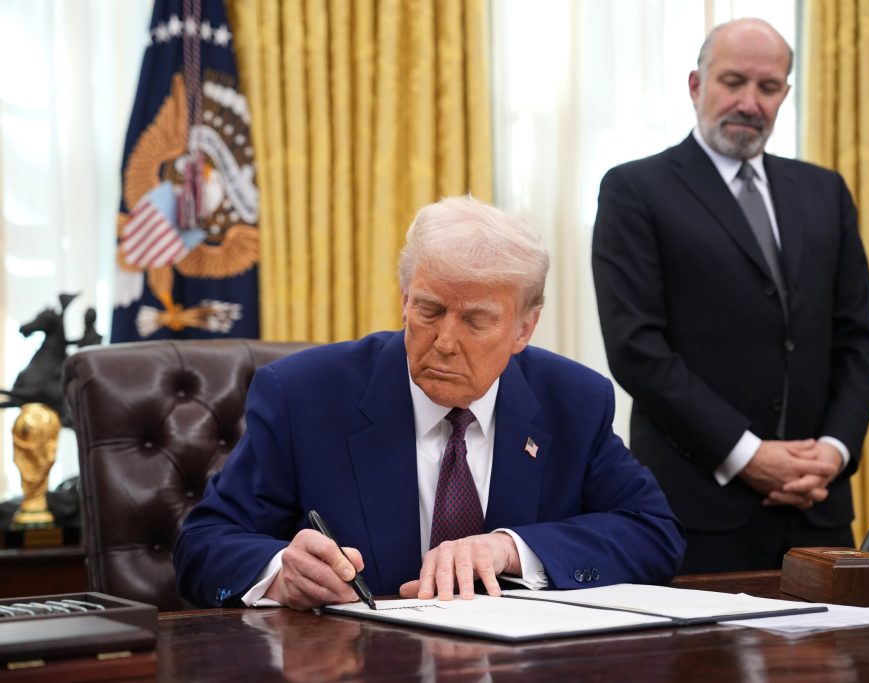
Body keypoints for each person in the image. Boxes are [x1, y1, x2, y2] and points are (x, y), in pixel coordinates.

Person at [175, 195, 685, 609]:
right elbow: (203, 545)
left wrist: (510, 549)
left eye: (476, 321)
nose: (444, 341)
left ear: (523, 328)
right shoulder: (303, 395)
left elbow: (653, 534)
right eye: (429, 310)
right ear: (404, 302)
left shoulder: (572, 400)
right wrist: (280, 574)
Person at [591, 18, 869, 573]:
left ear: (784, 95)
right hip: (696, 509)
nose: (750, 102)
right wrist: (746, 454)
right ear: (696, 85)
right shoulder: (634, 189)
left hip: (817, 506)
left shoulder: (825, 192)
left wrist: (834, 451)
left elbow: (857, 339)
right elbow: (636, 348)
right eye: (733, 81)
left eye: (768, 87)